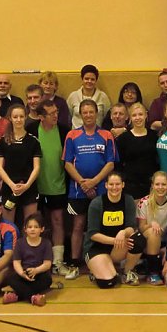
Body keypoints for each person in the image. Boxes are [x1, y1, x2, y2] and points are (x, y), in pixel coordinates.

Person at [63, 99, 118, 278]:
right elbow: (68, 164)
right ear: (80, 114)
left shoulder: (106, 135)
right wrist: (83, 183)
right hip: (78, 190)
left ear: (97, 114)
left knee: (100, 227)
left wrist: (94, 182)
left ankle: (99, 264)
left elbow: (110, 163)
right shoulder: (72, 135)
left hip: (102, 189)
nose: (88, 115)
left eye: (91, 112)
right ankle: (75, 264)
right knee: (78, 226)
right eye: (84, 112)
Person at [27, 100, 73, 278]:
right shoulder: (31, 130)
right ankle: (34, 260)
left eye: (56, 112)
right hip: (35, 186)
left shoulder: (64, 130)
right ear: (40, 117)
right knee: (34, 223)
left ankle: (58, 262)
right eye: (51, 113)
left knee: (57, 222)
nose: (56, 115)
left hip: (58, 185)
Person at [84, 172, 143, 287]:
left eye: (117, 184)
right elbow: (92, 234)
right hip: (97, 248)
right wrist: (115, 240)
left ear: (123, 185)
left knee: (138, 239)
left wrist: (123, 232)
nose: (114, 187)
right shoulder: (96, 203)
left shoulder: (128, 200)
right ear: (106, 185)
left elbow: (131, 227)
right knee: (108, 283)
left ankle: (127, 272)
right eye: (111, 184)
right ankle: (100, 269)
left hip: (117, 248)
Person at [0, 104, 42, 223]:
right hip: (9, 188)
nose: (18, 120)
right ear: (10, 118)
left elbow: (37, 167)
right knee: (9, 226)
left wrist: (27, 185)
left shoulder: (33, 141)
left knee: (31, 224)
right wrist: (11, 185)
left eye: (21, 116)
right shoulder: (3, 141)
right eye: (15, 117)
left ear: (26, 117)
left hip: (29, 187)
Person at [4, 212, 53, 305]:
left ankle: (17, 296)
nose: (32, 229)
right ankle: (33, 297)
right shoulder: (20, 243)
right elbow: (16, 262)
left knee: (47, 280)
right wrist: (21, 273)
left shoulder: (46, 243)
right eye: (30, 227)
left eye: (36, 227)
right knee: (10, 278)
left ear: (42, 229)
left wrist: (36, 270)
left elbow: (47, 264)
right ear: (25, 229)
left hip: (39, 273)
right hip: (24, 273)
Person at [137, 171, 167, 286]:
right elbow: (141, 228)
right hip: (147, 241)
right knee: (154, 232)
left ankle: (155, 266)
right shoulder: (144, 202)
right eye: (157, 184)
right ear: (152, 185)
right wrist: (151, 224)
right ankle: (152, 272)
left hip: (165, 242)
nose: (160, 187)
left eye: (163, 184)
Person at [116, 103, 159, 198]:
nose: (138, 118)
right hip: (130, 185)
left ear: (146, 115)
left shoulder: (154, 136)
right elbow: (119, 164)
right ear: (129, 117)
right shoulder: (123, 138)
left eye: (140, 114)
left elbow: (157, 160)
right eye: (134, 115)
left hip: (151, 184)